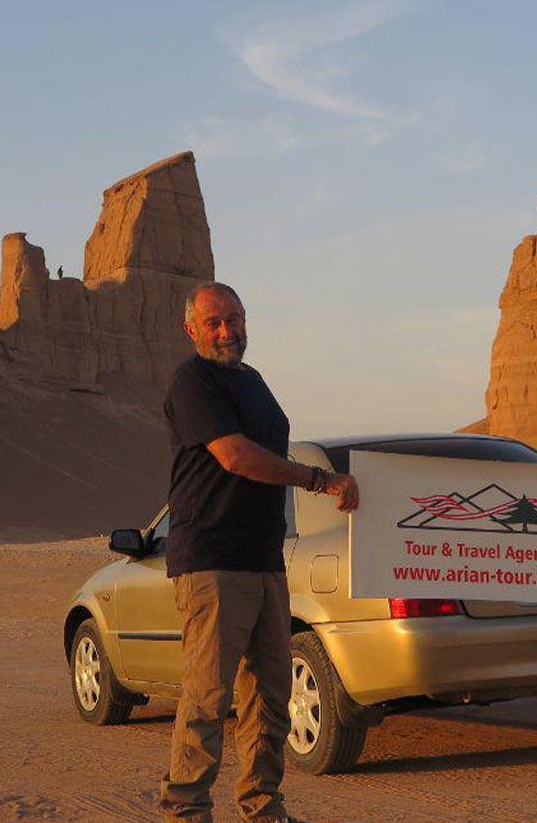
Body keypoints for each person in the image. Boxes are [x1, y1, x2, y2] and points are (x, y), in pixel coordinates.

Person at [159, 281, 359, 823]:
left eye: (236, 319)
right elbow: (236, 456)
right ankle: (186, 810)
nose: (228, 331)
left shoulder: (253, 380)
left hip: (265, 557)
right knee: (208, 695)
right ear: (192, 329)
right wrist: (320, 480)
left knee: (271, 694)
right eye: (215, 323)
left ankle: (262, 806)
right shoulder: (192, 381)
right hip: (212, 559)